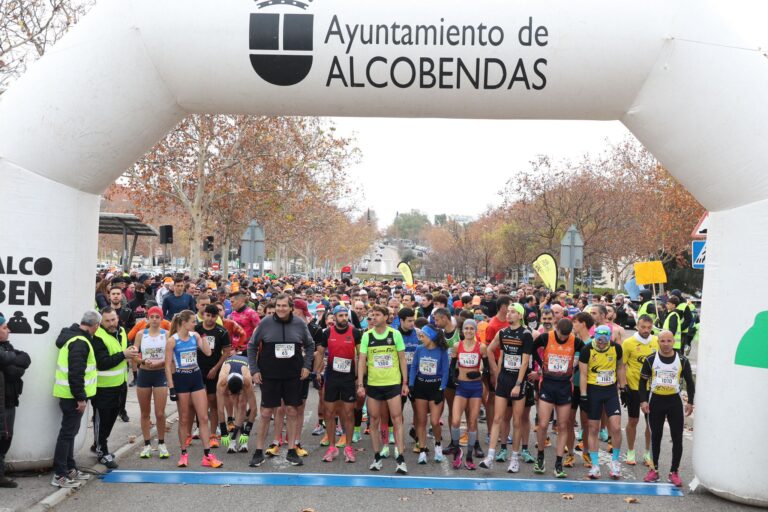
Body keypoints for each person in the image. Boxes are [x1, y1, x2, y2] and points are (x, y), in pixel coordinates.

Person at [247, 294, 314, 468]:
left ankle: (291, 450)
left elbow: (310, 344)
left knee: (292, 410)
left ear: (291, 307)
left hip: (293, 374)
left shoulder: (299, 323)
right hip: (269, 374)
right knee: (266, 412)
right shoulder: (266, 322)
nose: (281, 309)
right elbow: (252, 345)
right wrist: (254, 370)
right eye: (278, 305)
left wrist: (307, 366)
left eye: (285, 305)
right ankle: (259, 451)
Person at [164, 310, 223, 468]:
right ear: (184, 323)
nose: (195, 324)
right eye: (193, 322)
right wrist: (171, 387)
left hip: (196, 377)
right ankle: (183, 454)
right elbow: (168, 366)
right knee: (183, 419)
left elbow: (208, 353)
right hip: (181, 379)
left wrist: (202, 336)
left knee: (203, 418)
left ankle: (207, 455)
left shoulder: (195, 336)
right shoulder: (172, 341)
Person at [357, 304, 409, 474]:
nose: (374, 318)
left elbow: (402, 359)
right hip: (373, 384)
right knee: (374, 420)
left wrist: (405, 382)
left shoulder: (395, 334)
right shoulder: (367, 335)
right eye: (372, 315)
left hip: (393, 383)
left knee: (397, 419)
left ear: (386, 317)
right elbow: (361, 360)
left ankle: (400, 458)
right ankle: (377, 456)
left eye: (378, 314)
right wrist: (360, 384)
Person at [480, 303, 533, 472]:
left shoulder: (526, 334)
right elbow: (491, 351)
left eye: (512, 312)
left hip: (518, 381)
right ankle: (490, 456)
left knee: (517, 421)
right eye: (508, 311)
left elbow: (525, 362)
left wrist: (518, 384)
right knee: (498, 418)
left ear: (520, 315)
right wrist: (496, 371)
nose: (508, 314)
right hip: (504, 379)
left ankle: (515, 458)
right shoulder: (502, 332)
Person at [52, 311, 101, 488]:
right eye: (98, 326)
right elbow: (76, 373)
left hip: (68, 394)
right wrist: (80, 398)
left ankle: (69, 468)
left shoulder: (74, 338)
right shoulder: (80, 342)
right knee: (67, 434)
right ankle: (60, 474)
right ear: (94, 325)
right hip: (72, 396)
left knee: (70, 433)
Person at [640, 330, 695, 487]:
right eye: (662, 341)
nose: (665, 344)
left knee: (677, 437)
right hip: (655, 400)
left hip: (674, 402)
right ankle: (654, 470)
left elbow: (690, 383)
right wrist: (643, 401)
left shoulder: (682, 360)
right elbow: (642, 382)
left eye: (669, 341)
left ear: (674, 342)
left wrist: (690, 402)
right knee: (655, 436)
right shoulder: (651, 359)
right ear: (658, 342)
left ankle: (674, 472)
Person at [532, 318, 585, 478]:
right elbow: (532, 349)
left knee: (563, 425)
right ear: (556, 329)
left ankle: (558, 462)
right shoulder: (546, 337)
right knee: (542, 424)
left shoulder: (576, 341)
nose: (563, 339)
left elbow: (585, 357)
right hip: (547, 384)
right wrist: (541, 365)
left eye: (566, 336)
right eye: (561, 335)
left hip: (564, 387)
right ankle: (540, 457)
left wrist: (573, 370)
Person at [91, 307, 139, 468]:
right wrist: (123, 355)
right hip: (102, 387)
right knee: (101, 420)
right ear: (100, 322)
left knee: (111, 418)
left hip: (119, 384)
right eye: (107, 321)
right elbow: (102, 363)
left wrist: (131, 350)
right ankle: (101, 451)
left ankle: (99, 444)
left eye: (113, 319)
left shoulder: (122, 331)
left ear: (117, 318)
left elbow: (125, 347)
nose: (111, 323)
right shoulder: (97, 336)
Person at [314, 305, 362, 463]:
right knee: (329, 412)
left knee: (348, 412)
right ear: (334, 317)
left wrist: (359, 378)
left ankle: (348, 447)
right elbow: (320, 353)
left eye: (345, 315)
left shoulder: (355, 332)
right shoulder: (327, 332)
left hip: (348, 377)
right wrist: (318, 372)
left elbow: (361, 356)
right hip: (332, 377)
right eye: (340, 315)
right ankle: (332, 447)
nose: (343, 318)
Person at [578, 325, 627, 480]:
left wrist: (623, 387)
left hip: (610, 391)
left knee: (616, 427)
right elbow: (583, 375)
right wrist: (584, 395)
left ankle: (615, 463)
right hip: (593, 391)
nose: (601, 343)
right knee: (593, 428)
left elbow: (620, 367)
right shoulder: (587, 350)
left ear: (609, 338)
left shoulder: (616, 348)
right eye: (599, 340)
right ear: (595, 337)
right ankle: (595, 465)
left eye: (605, 341)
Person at [448, 319, 487, 470]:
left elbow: (487, 369)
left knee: (472, 422)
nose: (469, 331)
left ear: (475, 330)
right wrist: (454, 379)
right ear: (462, 331)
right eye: (466, 329)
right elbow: (452, 367)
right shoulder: (457, 346)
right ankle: (457, 452)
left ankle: (469, 456)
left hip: (476, 387)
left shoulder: (481, 347)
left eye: (472, 329)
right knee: (456, 421)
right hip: (462, 387)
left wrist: (479, 373)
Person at [409, 325, 450, 465]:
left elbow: (445, 372)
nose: (421, 338)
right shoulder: (419, 349)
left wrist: (441, 389)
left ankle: (438, 445)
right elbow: (414, 367)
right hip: (421, 386)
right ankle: (422, 450)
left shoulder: (442, 351)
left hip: (435, 387)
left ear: (431, 337)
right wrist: (411, 385)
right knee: (420, 421)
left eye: (423, 336)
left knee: (434, 421)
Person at [622, 314, 659, 467]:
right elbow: (622, 365)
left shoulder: (657, 341)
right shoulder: (628, 343)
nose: (646, 330)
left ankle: (647, 453)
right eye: (643, 327)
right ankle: (630, 451)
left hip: (651, 388)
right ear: (637, 326)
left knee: (651, 423)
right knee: (633, 420)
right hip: (634, 387)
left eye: (649, 328)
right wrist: (623, 387)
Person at [133, 306, 170, 459]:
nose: (154, 319)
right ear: (147, 319)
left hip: (160, 374)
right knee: (145, 413)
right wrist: (142, 361)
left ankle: (161, 443)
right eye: (152, 316)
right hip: (144, 374)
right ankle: (147, 444)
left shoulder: (167, 335)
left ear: (162, 319)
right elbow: (134, 356)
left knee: (160, 413)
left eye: (157, 317)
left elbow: (170, 357)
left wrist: (159, 363)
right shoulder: (141, 334)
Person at [194, 305, 231, 449]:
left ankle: (213, 434)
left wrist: (216, 368)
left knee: (212, 401)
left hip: (214, 370)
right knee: (198, 401)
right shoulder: (196, 329)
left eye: (213, 316)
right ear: (203, 315)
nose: (209, 319)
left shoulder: (221, 332)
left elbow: (227, 352)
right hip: (197, 369)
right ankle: (199, 427)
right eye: (207, 315)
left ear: (217, 317)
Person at [0, 315, 31, 488]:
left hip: (9, 401)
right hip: (2, 404)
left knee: (6, 438)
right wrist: (11, 360)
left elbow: (25, 359)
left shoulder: (6, 347)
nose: (9, 330)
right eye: (5, 327)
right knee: (2, 439)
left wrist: (10, 358)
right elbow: (13, 371)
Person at [217, 354, 257, 454]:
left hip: (244, 367)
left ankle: (240, 439)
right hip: (229, 366)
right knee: (235, 403)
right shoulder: (222, 382)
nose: (234, 396)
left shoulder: (247, 381)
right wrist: (223, 431)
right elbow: (220, 409)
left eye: (238, 393)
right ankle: (234, 440)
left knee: (242, 404)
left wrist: (248, 430)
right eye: (231, 394)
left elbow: (254, 408)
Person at [230, 291, 261, 355]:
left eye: (232, 302)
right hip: (233, 350)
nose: (231, 304)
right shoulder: (233, 314)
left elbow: (259, 331)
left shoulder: (252, 313)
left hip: (247, 350)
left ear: (240, 301)